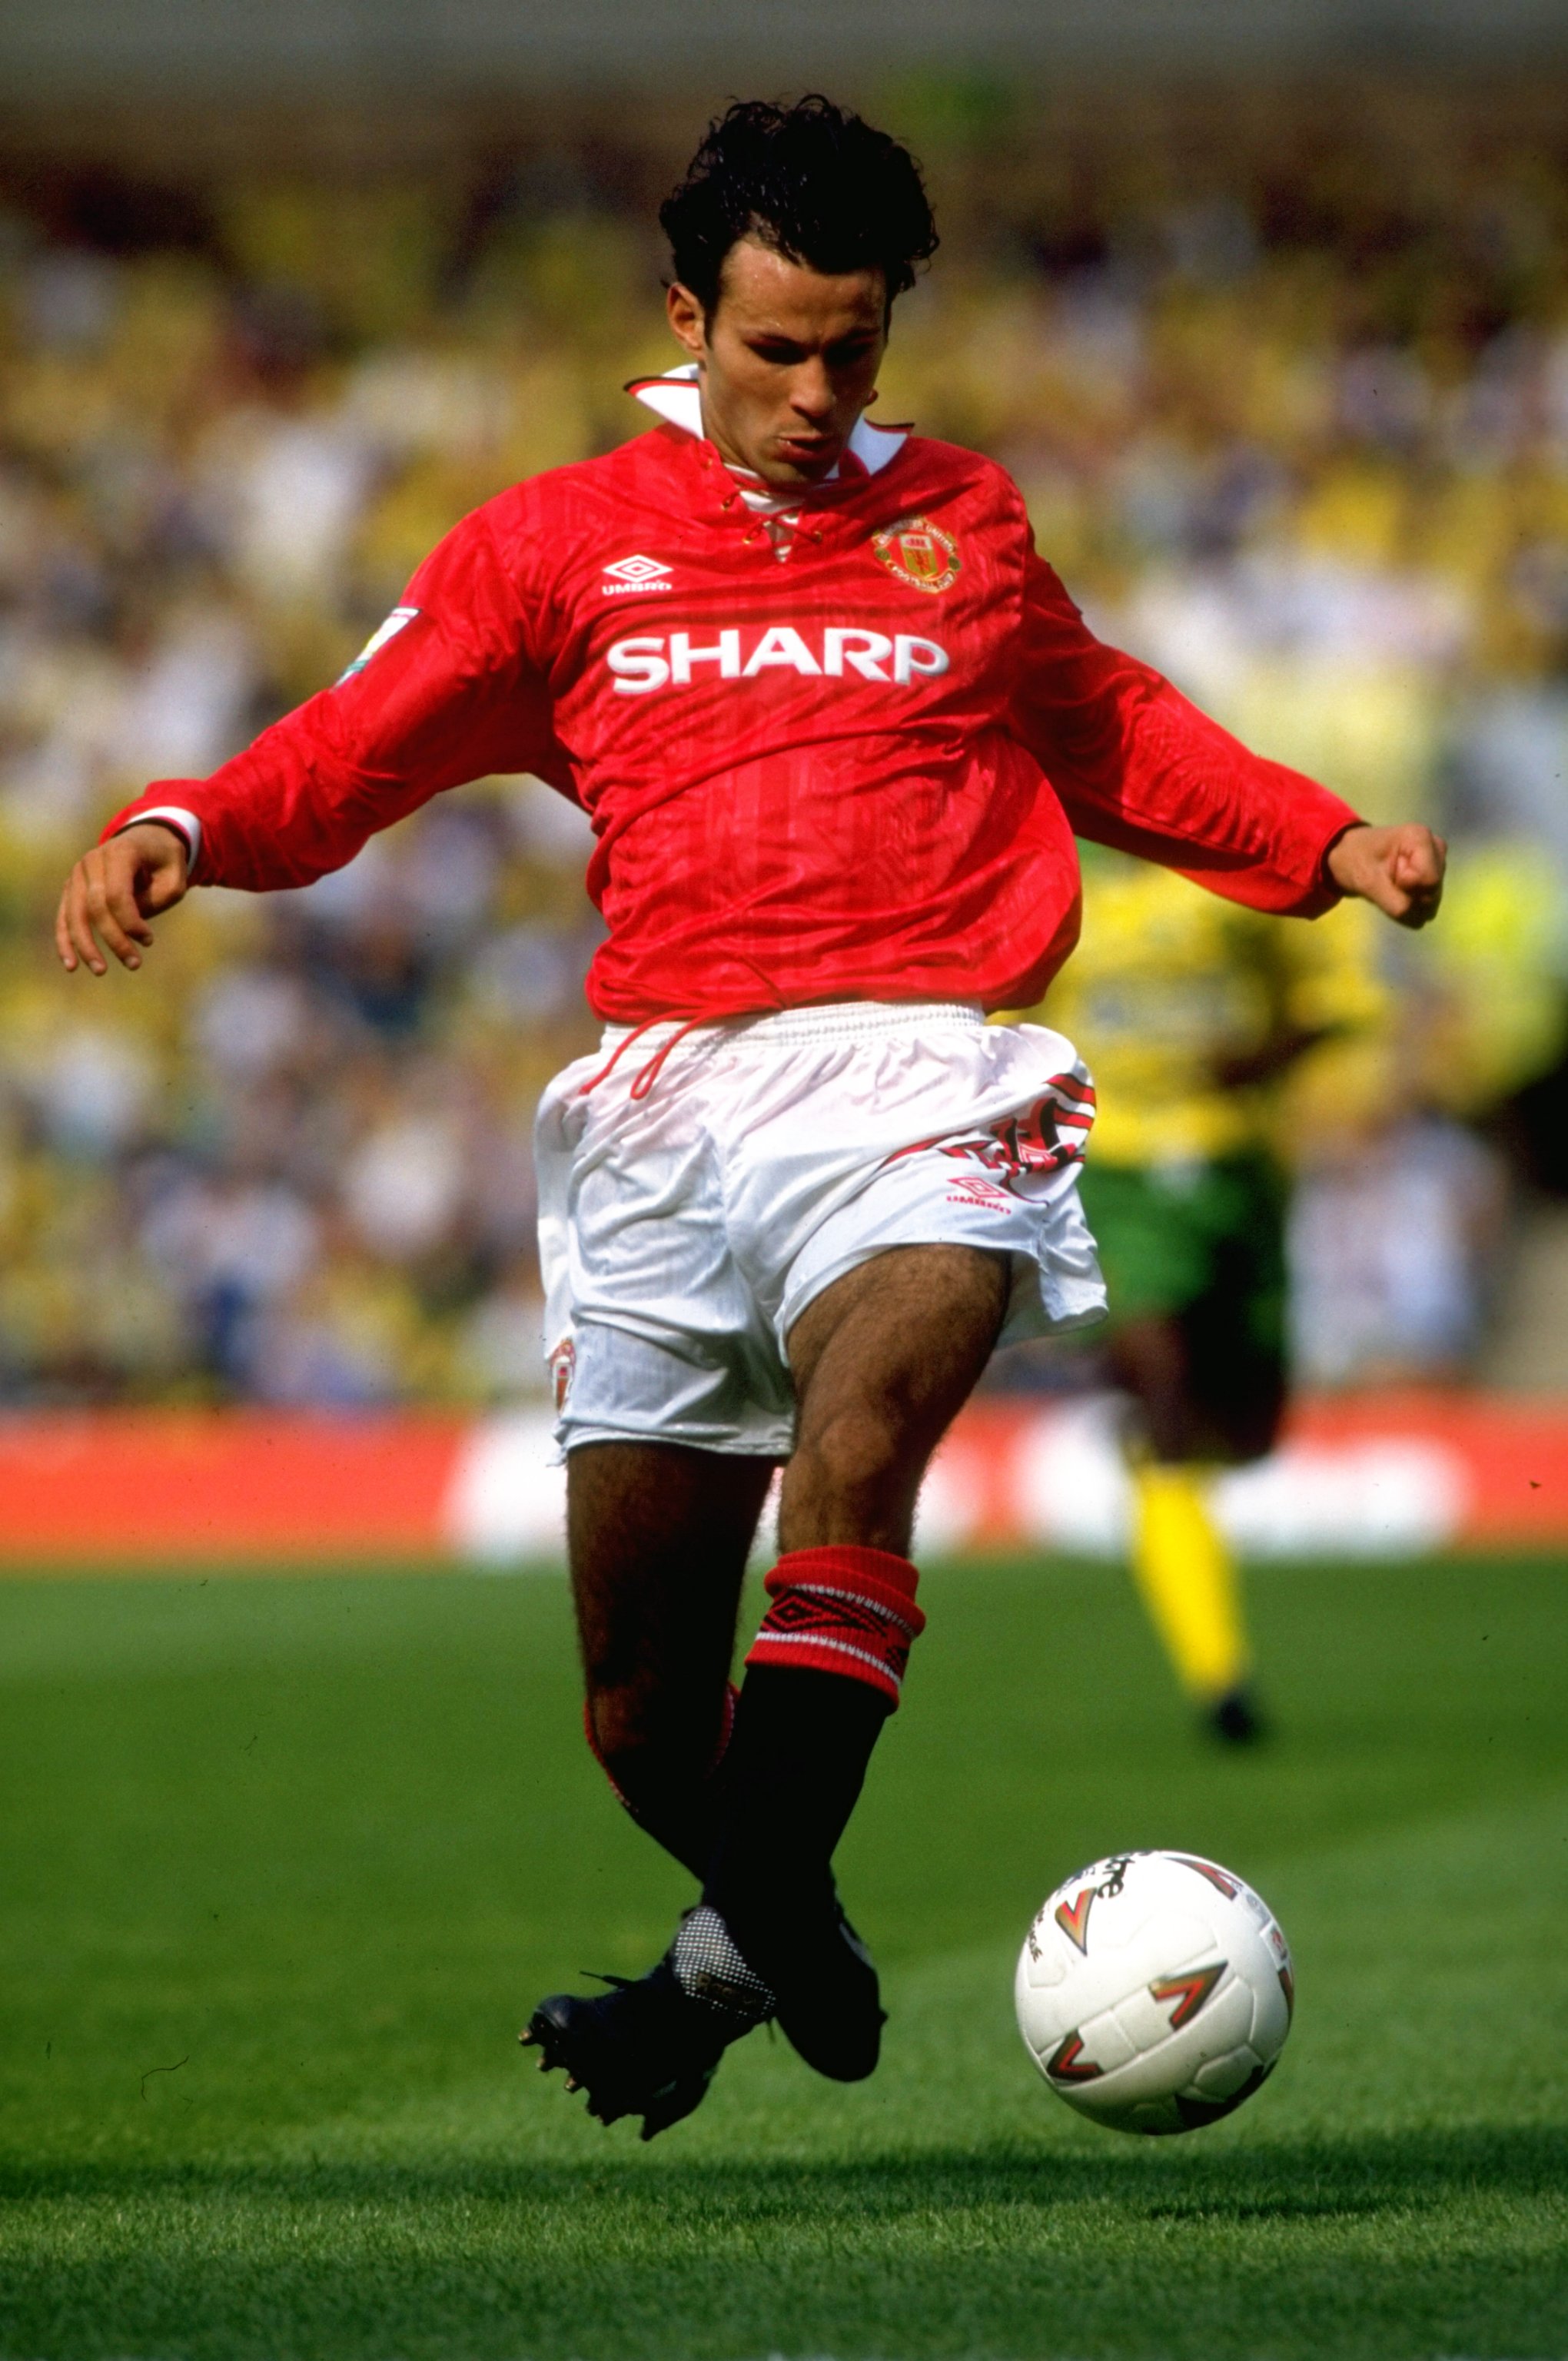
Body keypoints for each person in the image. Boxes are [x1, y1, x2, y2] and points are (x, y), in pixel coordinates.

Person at [55, 96, 1445, 2139]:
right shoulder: (550, 546)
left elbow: (1115, 726)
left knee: (865, 1429)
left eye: (854, 350)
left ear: (894, 329)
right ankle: (763, 1928)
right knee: (637, 1719)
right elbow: (355, 747)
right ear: (687, 316)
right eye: (773, 348)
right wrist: (186, 822)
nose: (813, 392)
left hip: (927, 1065)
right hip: (659, 1113)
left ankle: (730, 1951)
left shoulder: (964, 524)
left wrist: (1325, 842)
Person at [1025, 852, 1390, 1741]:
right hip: (1112, 1173)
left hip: (1240, 1173)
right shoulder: (1042, 876)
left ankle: (1173, 1484)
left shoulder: (1240, 871)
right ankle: (1220, 1680)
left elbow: (1337, 1002)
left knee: (1250, 1432)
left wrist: (1264, 1055)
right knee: (1163, 1399)